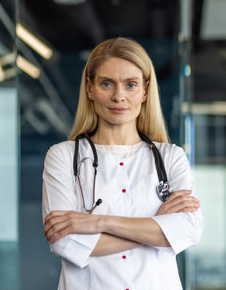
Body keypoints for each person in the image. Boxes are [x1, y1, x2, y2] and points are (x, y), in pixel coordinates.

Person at [42, 37, 203, 289]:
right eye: (107, 84)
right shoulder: (63, 156)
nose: (119, 96)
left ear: (145, 90)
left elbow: (189, 230)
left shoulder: (171, 157)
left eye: (130, 85)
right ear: (90, 88)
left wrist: (99, 222)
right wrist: (158, 229)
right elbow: (65, 242)